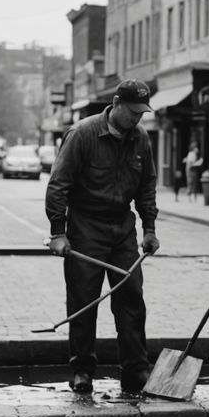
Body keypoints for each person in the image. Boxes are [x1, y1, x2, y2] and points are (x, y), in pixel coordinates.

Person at [45, 79, 161, 395]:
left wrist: (149, 228)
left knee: (131, 298)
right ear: (117, 104)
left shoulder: (140, 139)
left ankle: (135, 371)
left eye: (142, 112)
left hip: (122, 227)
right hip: (86, 227)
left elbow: (147, 185)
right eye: (134, 111)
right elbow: (59, 185)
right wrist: (58, 233)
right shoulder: (82, 134)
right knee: (84, 300)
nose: (138, 118)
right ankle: (82, 370)